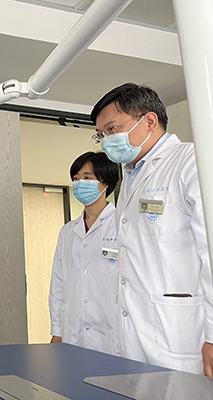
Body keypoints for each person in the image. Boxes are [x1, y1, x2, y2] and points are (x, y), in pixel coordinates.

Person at [91, 83, 213, 375]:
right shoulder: (131, 176)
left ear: (149, 120)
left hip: (183, 335)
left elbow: (210, 253)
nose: (106, 141)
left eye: (112, 129)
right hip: (137, 332)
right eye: (101, 135)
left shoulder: (193, 161)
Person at [49, 151, 120, 355]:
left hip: (114, 332)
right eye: (76, 178)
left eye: (87, 177)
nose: (80, 183)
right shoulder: (68, 231)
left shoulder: (122, 225)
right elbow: (58, 284)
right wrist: (57, 330)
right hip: (73, 331)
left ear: (106, 182)